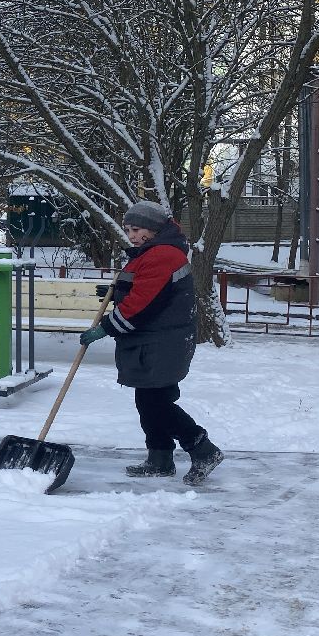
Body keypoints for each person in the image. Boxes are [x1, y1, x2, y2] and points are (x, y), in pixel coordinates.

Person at [79, 200, 223, 486]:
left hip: (162, 342)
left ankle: (202, 449)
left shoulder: (162, 255)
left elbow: (142, 305)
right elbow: (146, 288)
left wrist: (106, 328)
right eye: (128, 230)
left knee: (155, 404)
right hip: (157, 340)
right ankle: (160, 458)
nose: (131, 236)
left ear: (153, 229)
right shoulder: (154, 252)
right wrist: (118, 291)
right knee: (149, 401)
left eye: (136, 230)